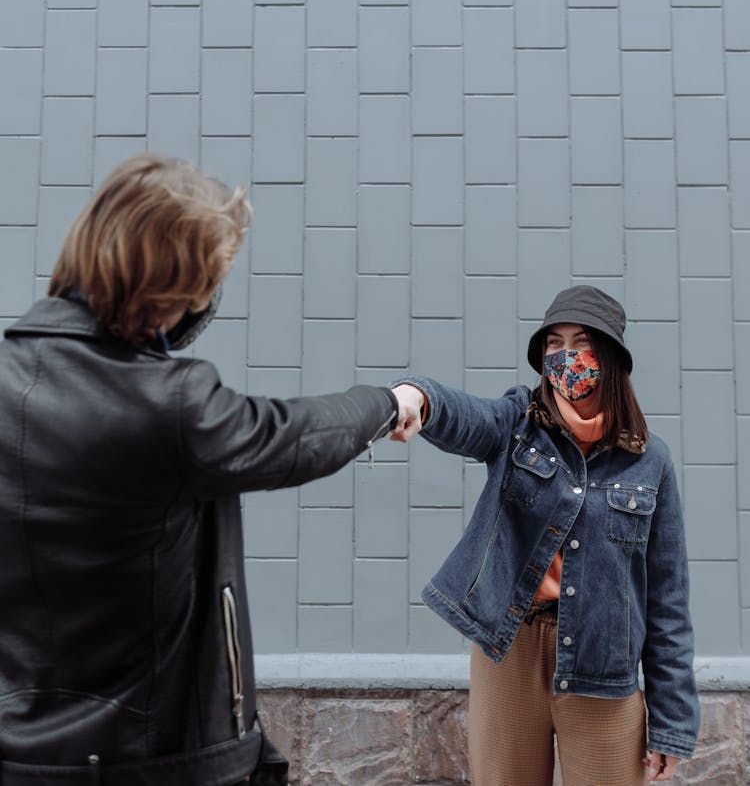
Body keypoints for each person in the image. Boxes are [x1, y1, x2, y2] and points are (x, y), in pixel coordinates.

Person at [0, 153, 419, 786]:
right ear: (176, 288)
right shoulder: (171, 404)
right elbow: (294, 435)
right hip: (147, 757)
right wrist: (391, 402)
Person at [392, 285, 700, 786]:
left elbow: (667, 599)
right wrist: (418, 397)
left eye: (581, 342)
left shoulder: (651, 461)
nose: (566, 356)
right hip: (511, 651)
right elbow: (468, 417)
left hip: (605, 666)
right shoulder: (517, 423)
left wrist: (672, 723)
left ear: (611, 358)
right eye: (554, 344)